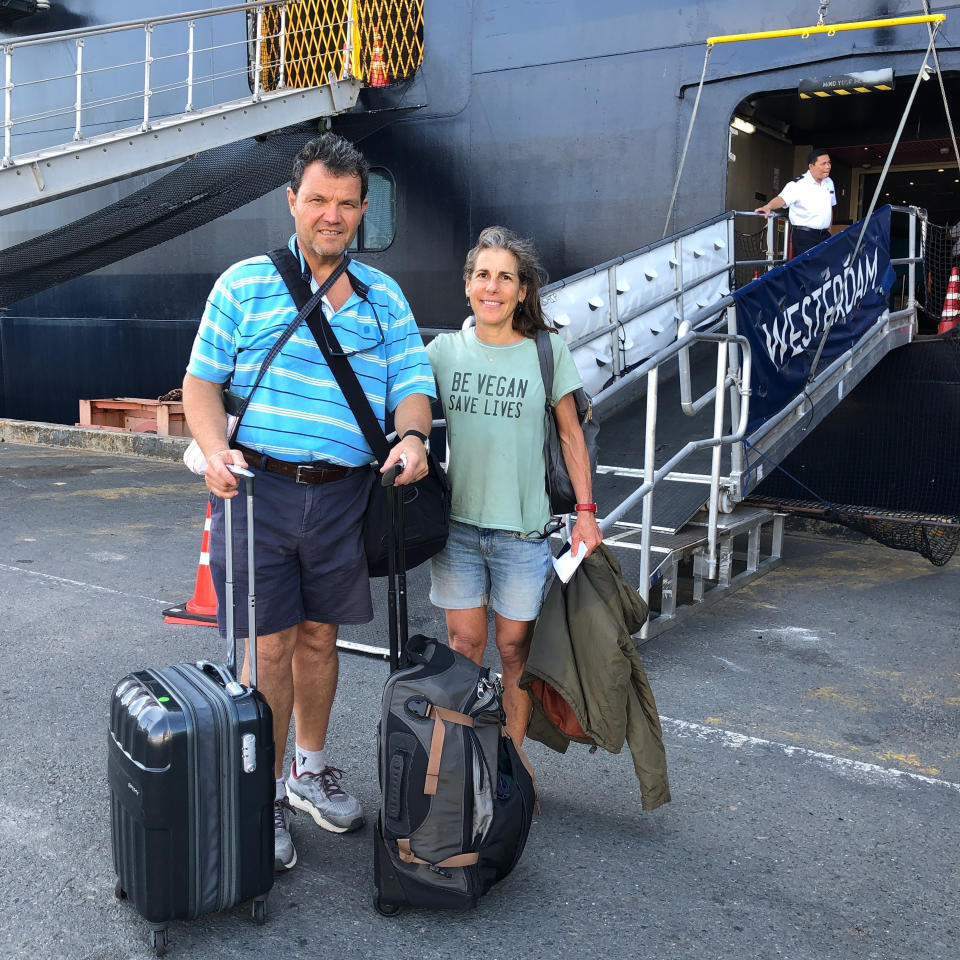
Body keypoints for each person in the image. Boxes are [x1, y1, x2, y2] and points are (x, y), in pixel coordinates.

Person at [182, 133, 436, 872]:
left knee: (321, 638)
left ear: (363, 210)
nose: (332, 215)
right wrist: (213, 447)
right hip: (257, 489)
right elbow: (201, 383)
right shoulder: (242, 285)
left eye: (347, 204)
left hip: (343, 497)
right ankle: (260, 792)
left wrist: (413, 438)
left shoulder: (384, 297)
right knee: (270, 645)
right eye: (318, 199)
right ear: (292, 201)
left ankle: (308, 769)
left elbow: (410, 386)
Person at [426, 226, 603, 745]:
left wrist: (586, 514)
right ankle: (459, 765)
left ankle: (511, 767)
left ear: (523, 290)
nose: (493, 287)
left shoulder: (546, 352)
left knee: (514, 651)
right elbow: (396, 400)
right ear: (467, 284)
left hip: (523, 534)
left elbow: (572, 436)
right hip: (457, 528)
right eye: (483, 275)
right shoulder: (443, 352)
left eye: (506, 277)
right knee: (463, 645)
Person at [755, 149, 836, 257]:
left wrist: (829, 231)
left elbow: (829, 207)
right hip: (806, 236)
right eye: (823, 164)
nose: (828, 166)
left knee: (824, 271)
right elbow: (782, 199)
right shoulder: (798, 185)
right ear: (811, 166)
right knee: (807, 270)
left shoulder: (829, 182)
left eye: (829, 162)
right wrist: (768, 206)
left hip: (825, 235)